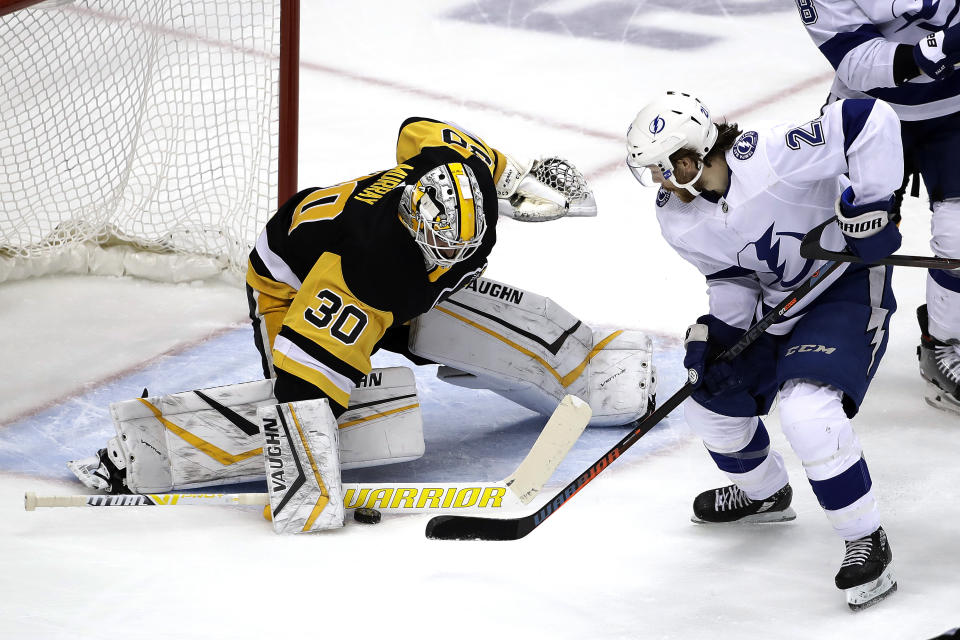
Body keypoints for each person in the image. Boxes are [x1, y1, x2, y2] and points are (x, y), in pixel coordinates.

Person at [625, 90, 902, 610]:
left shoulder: (773, 156)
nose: (659, 182)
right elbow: (731, 279)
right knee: (708, 398)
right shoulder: (676, 216)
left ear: (691, 156)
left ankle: (866, 538)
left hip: (844, 286)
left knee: (807, 412)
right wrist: (719, 334)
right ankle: (765, 493)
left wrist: (873, 206)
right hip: (780, 307)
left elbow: (869, 118)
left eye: (664, 168)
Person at [797, 0, 960, 415]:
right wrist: (931, 50)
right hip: (866, 111)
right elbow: (854, 60)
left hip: (955, 109)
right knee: (842, 237)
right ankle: (808, 338)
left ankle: (946, 346)